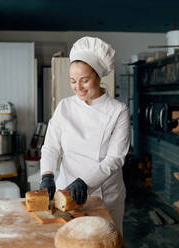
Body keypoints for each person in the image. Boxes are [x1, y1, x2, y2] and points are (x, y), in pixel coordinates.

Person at [39, 36, 130, 234]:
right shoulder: (65, 106)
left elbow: (115, 159)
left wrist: (85, 182)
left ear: (98, 76)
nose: (78, 87)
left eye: (85, 80)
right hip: (66, 192)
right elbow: (51, 146)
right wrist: (47, 175)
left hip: (104, 195)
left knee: (104, 242)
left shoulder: (118, 111)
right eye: (73, 81)